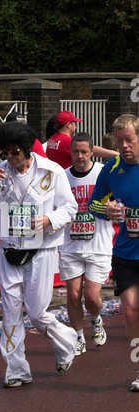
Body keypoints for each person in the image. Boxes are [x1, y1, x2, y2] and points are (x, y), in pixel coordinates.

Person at [0, 121, 78, 388]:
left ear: (27, 149)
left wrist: (49, 219)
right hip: (9, 250)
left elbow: (70, 208)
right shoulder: (0, 171)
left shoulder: (52, 171)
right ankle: (17, 371)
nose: (9, 158)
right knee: (10, 312)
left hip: (41, 250)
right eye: (3, 153)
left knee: (36, 313)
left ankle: (67, 343)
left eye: (14, 152)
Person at [88, 113, 139, 392]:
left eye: (129, 140)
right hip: (126, 253)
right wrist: (106, 210)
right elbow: (93, 205)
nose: (123, 146)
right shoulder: (110, 169)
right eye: (119, 142)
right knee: (131, 312)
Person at [59, 132, 115, 356]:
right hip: (71, 245)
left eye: (84, 151)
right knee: (73, 296)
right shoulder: (62, 177)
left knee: (92, 297)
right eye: (75, 151)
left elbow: (118, 199)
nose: (79, 156)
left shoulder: (103, 173)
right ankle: (78, 337)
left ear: (93, 151)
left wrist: (112, 207)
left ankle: (96, 319)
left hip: (98, 245)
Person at [46, 110, 119, 169]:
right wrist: (116, 154)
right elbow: (93, 150)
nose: (76, 127)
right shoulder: (66, 141)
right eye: (74, 124)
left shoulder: (52, 139)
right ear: (68, 125)